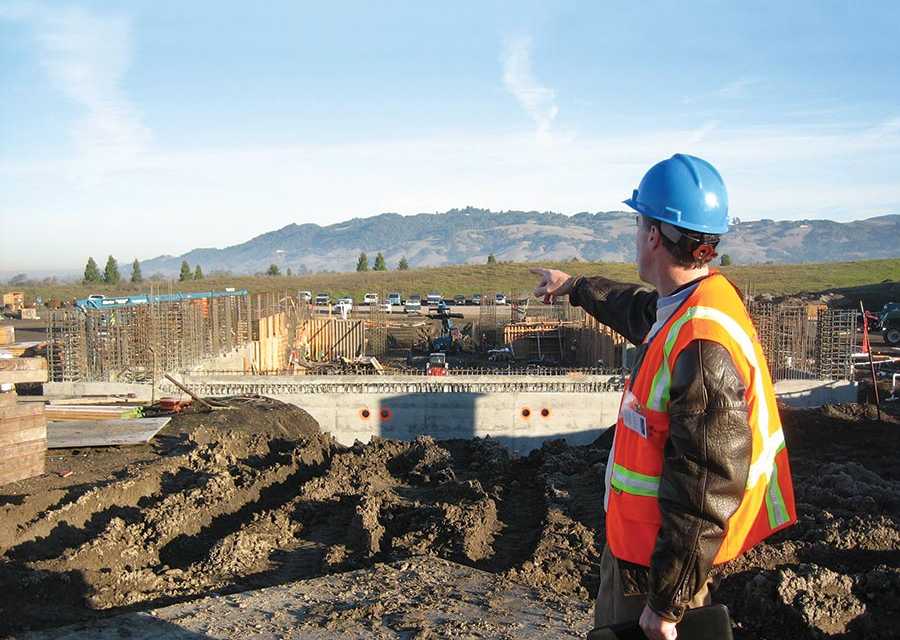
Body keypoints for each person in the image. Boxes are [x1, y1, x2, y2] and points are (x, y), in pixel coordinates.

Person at [532, 154, 796, 640]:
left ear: (654, 234)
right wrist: (574, 287)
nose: (635, 233)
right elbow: (640, 311)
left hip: (655, 571)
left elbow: (706, 482)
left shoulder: (702, 341)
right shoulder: (690, 305)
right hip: (646, 555)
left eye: (638, 222)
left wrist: (667, 604)